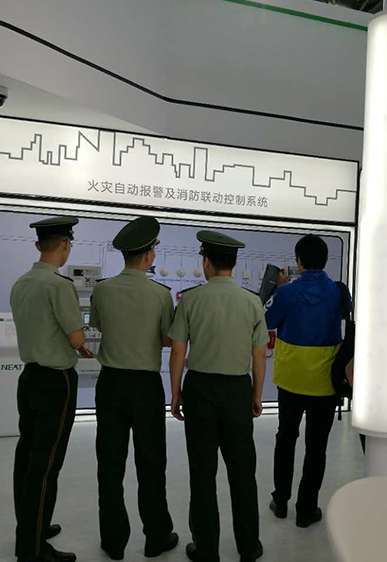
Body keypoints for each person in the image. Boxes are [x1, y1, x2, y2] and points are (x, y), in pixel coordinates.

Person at [169, 231, 268, 562]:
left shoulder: (190, 300)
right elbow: (258, 355)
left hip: (200, 390)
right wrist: (256, 394)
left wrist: (176, 392)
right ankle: (248, 547)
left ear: (206, 262)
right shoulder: (252, 302)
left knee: (202, 473)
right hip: (237, 390)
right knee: (242, 472)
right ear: (234, 265)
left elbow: (178, 352)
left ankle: (207, 549)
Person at [89, 216, 178, 560]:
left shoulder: (102, 290)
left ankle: (113, 542)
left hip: (110, 383)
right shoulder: (161, 295)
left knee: (110, 465)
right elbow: (167, 338)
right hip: (145, 386)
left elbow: (99, 326)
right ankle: (156, 536)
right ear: (149, 255)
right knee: (151, 464)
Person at [10, 216, 91, 562]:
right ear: (66, 245)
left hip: (29, 377)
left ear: (37, 245)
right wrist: (80, 342)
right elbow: (75, 337)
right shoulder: (59, 286)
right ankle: (33, 548)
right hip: (56, 381)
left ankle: (31, 526)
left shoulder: (22, 283)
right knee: (46, 465)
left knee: (27, 457)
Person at [264, 234, 350, 528]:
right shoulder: (339, 292)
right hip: (325, 381)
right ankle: (306, 509)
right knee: (317, 446)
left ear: (298, 261)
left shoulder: (287, 292)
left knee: (286, 438)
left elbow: (268, 321)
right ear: (325, 261)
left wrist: (278, 288)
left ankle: (280, 501)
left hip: (291, 379)